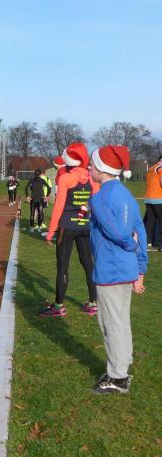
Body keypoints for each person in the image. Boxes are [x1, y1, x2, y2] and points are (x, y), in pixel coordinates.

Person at [87, 145, 147, 394]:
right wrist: (140, 267)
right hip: (126, 268)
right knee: (121, 321)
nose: (89, 167)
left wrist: (129, 244)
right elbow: (139, 230)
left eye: (92, 164)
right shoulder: (126, 194)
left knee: (111, 324)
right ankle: (122, 366)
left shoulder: (100, 197)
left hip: (110, 269)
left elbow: (119, 232)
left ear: (102, 169)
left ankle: (118, 377)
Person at [41, 143, 100, 317]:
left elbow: (59, 207)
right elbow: (96, 204)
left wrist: (51, 232)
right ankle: (93, 303)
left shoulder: (65, 178)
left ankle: (59, 306)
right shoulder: (92, 177)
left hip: (67, 227)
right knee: (88, 264)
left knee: (63, 266)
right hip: (85, 226)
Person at [143, 154, 162, 251]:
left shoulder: (151, 168)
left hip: (148, 198)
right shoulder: (160, 168)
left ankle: (148, 243)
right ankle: (160, 244)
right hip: (158, 198)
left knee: (150, 221)